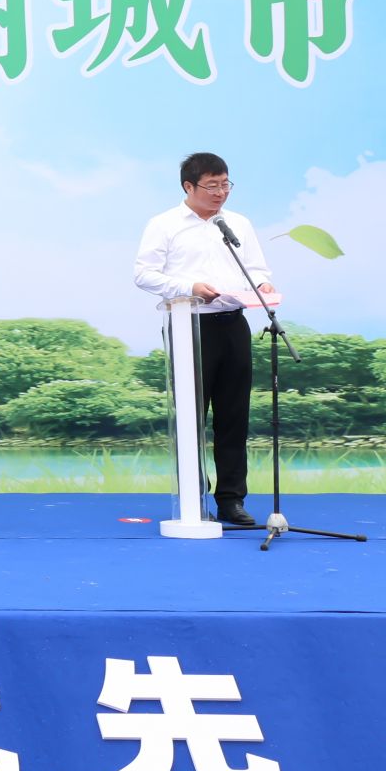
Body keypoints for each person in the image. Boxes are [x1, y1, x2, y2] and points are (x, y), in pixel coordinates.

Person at [134, 152, 276, 526]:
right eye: (212, 186)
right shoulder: (164, 224)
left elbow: (256, 268)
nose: (220, 193)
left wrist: (262, 284)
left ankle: (231, 500)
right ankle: (192, 499)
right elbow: (144, 274)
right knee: (190, 416)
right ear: (189, 186)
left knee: (234, 415)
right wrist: (189, 287)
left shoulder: (238, 223)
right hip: (189, 324)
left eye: (225, 184)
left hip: (233, 323)